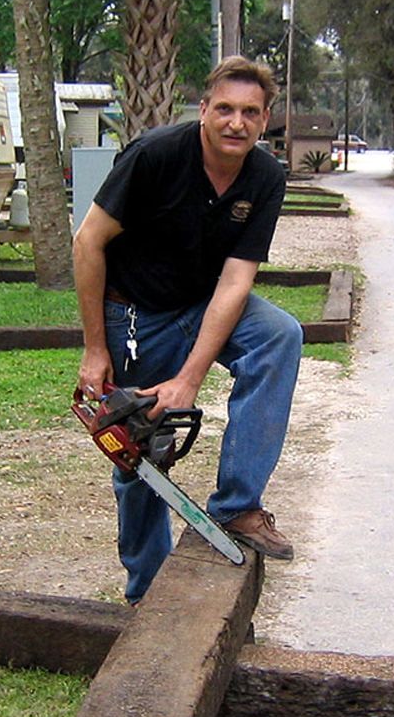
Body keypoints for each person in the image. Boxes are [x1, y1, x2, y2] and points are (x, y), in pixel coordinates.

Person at [73, 55, 302, 604]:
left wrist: (190, 378)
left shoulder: (266, 177)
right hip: (134, 315)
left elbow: (235, 283)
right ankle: (147, 593)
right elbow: (87, 242)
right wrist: (95, 349)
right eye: (224, 108)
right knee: (139, 450)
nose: (235, 122)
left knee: (279, 335)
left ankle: (237, 505)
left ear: (265, 119)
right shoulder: (155, 156)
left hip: (201, 303)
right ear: (203, 110)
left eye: (250, 112)